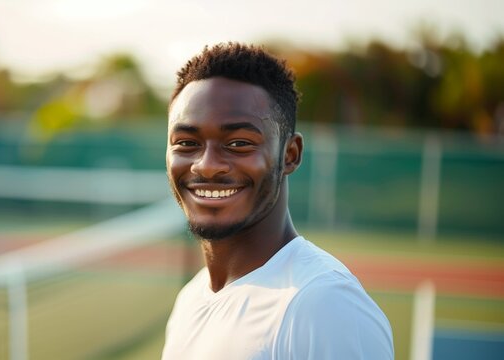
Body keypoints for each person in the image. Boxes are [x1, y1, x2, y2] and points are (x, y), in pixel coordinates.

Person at [161, 43, 394, 359]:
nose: (206, 165)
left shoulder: (324, 304)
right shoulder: (190, 300)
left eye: (239, 143)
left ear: (290, 154)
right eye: (187, 143)